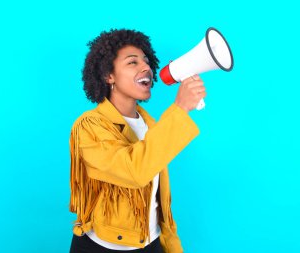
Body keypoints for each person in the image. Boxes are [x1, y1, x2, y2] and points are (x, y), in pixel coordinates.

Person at [69, 28, 206, 253]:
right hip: (105, 248)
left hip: (152, 243)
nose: (146, 68)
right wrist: (180, 109)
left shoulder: (151, 125)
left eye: (146, 61)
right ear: (108, 75)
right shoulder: (89, 127)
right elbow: (133, 171)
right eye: (132, 62)